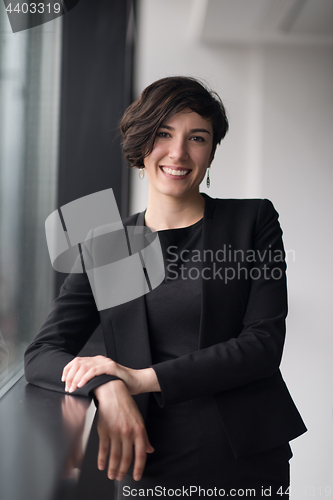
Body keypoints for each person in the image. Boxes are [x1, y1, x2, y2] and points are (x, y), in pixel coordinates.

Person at [25, 76, 306, 499]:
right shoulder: (109, 247)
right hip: (147, 462)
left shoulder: (251, 223)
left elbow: (262, 345)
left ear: (211, 152)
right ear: (141, 144)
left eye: (197, 138)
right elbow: (41, 355)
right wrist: (106, 385)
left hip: (246, 462)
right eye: (163, 134)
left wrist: (138, 379)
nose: (178, 153)